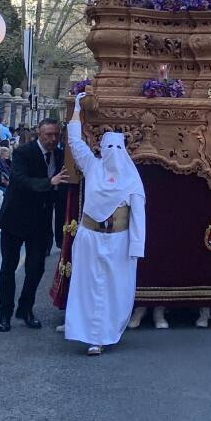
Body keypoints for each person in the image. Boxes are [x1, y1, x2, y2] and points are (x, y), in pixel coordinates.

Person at [64, 93, 146, 356]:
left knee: (114, 289)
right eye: (107, 148)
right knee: (87, 286)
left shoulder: (132, 180)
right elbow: (75, 142)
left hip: (119, 241)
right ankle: (86, 332)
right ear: (101, 150)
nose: (112, 153)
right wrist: (76, 109)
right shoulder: (93, 167)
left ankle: (107, 333)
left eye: (117, 148)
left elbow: (138, 218)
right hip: (90, 236)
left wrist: (136, 247)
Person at [0, 118, 69, 332]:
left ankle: (26, 309)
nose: (52, 139)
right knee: (8, 268)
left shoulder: (60, 155)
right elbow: (20, 180)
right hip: (16, 218)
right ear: (39, 133)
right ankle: (4, 314)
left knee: (36, 268)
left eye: (56, 135)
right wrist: (50, 182)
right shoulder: (23, 153)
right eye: (48, 134)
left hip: (41, 220)